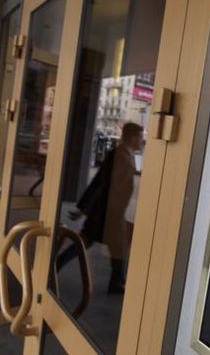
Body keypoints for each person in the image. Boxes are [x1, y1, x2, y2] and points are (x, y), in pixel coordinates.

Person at [57, 122, 143, 294]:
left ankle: (116, 281)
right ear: (133, 138)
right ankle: (56, 264)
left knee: (110, 245)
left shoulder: (125, 155)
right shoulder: (119, 156)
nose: (142, 140)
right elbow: (100, 184)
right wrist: (84, 209)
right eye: (140, 137)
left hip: (110, 213)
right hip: (106, 213)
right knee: (101, 244)